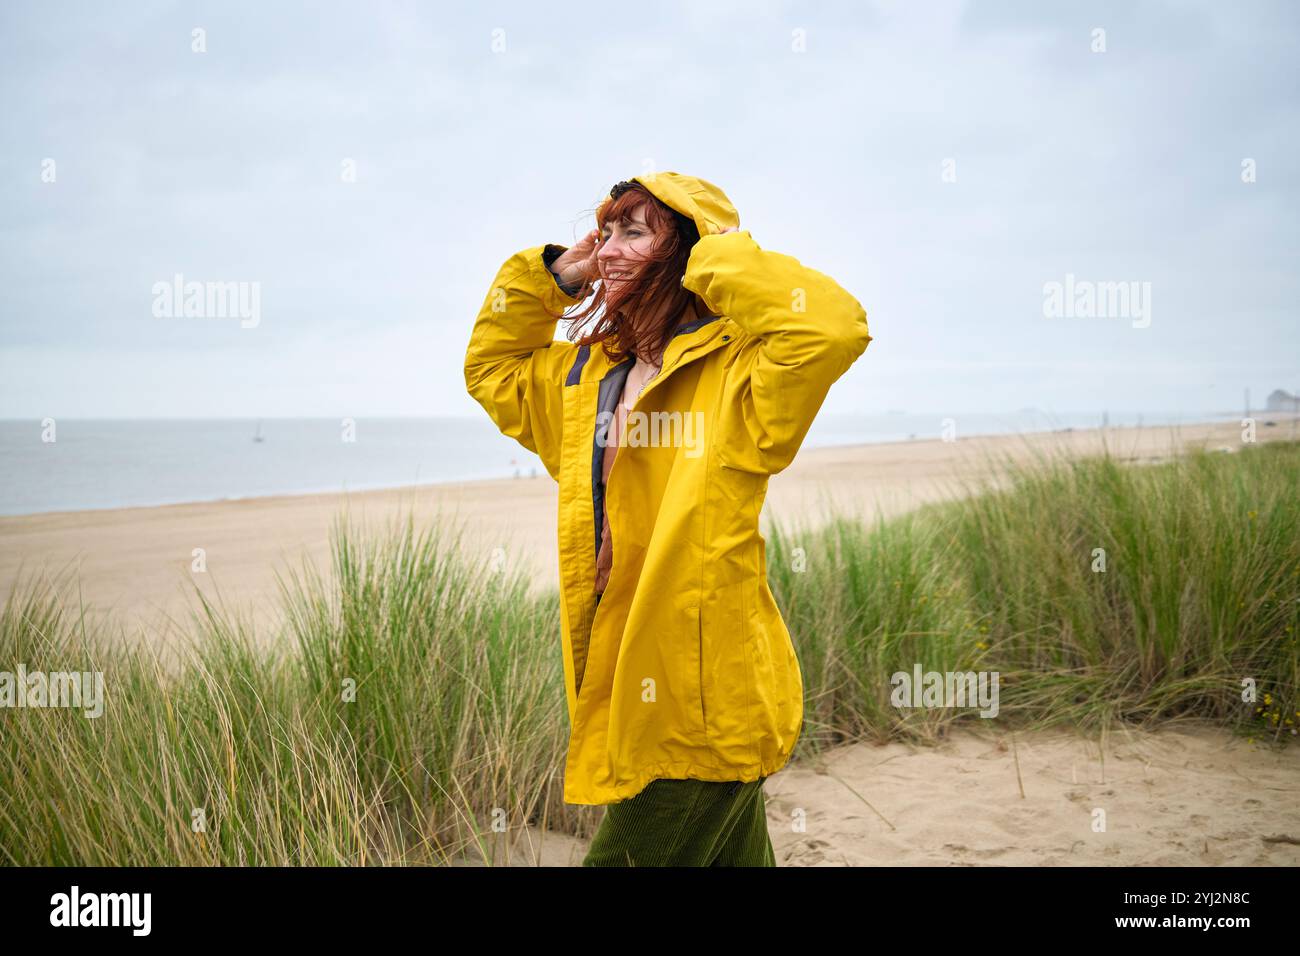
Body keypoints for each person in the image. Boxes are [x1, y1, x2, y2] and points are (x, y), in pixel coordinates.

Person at [463, 172, 872, 866]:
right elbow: (491, 367)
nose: (611, 249)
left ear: (685, 251)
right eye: (608, 230)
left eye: (635, 232)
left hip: (702, 706)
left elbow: (832, 326)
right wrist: (556, 275)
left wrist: (713, 256)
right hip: (628, 687)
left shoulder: (743, 374)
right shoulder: (587, 377)